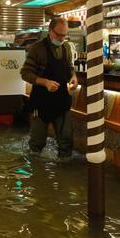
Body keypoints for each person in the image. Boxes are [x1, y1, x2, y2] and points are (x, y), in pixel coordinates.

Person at [20, 18, 78, 158]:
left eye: (65, 35)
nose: (62, 38)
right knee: (37, 144)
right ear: (51, 31)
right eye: (59, 35)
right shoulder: (38, 48)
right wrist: (45, 82)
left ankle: (64, 174)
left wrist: (74, 77)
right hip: (41, 102)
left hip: (62, 101)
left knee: (66, 142)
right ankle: (37, 175)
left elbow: (70, 67)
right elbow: (25, 73)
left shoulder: (66, 47)